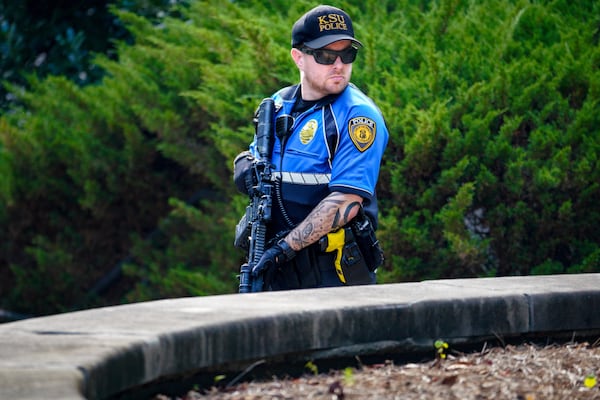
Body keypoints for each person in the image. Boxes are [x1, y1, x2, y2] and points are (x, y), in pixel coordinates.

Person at [234, 4, 388, 290]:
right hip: (273, 263)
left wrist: (283, 251)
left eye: (347, 54)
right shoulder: (279, 104)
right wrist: (243, 165)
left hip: (331, 269)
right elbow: (256, 154)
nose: (339, 64)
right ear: (298, 58)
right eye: (326, 55)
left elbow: (346, 201)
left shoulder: (358, 116)